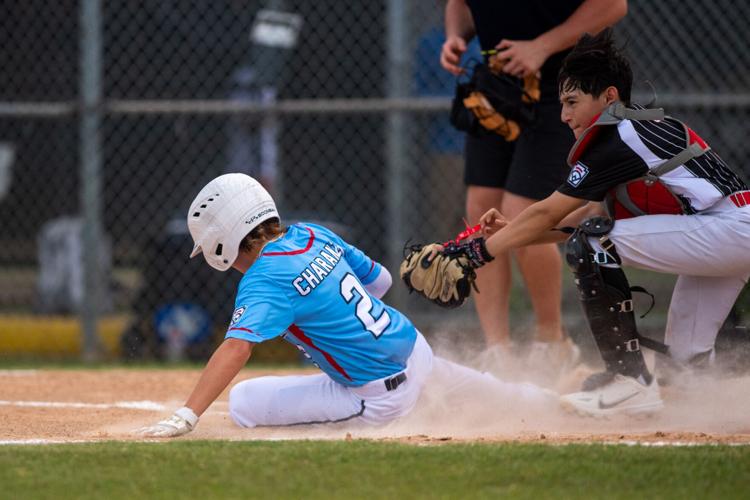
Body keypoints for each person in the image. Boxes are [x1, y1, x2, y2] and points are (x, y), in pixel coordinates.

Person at [436, 28, 750, 417]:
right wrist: (509, 235)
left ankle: (628, 383)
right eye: (562, 103)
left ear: (609, 97)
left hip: (730, 230)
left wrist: (474, 253)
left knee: (593, 245)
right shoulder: (637, 131)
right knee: (685, 366)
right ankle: (718, 410)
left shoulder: (621, 136)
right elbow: (577, 223)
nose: (564, 115)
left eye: (572, 101)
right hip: (726, 235)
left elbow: (554, 215)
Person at [138, 173, 555, 437]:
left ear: (222, 241)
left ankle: (408, 409)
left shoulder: (262, 278)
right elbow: (381, 282)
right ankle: (559, 403)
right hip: (415, 348)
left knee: (245, 403)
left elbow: (237, 348)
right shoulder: (311, 233)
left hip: (379, 397)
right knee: (504, 395)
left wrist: (187, 415)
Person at [439, 0, 628, 380]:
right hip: (497, 81)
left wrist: (542, 45)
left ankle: (552, 341)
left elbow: (613, 5)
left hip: (564, 84)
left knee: (521, 210)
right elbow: (459, 4)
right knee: (481, 209)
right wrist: (456, 37)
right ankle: (497, 351)